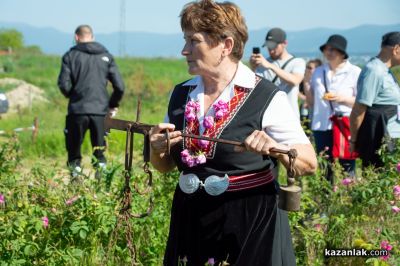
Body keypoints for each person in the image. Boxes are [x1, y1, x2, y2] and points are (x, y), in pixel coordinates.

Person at [149, 1, 317, 265]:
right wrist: (157, 148)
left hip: (250, 222)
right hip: (191, 217)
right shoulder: (181, 93)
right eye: (185, 41)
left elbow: (308, 163)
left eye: (194, 41)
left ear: (225, 46)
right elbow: (164, 166)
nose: (185, 50)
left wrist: (276, 147)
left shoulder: (266, 97)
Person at [57, 25, 124, 177]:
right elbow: (120, 87)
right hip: (100, 112)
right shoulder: (106, 56)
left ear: (76, 37)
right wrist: (112, 105)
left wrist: (73, 95)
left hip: (77, 111)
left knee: (74, 153)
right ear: (92, 37)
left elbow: (63, 84)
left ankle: (75, 186)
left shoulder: (70, 56)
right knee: (99, 152)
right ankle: (102, 187)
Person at [304, 34, 361, 181]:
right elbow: (311, 102)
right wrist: (305, 82)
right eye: (326, 49)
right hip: (321, 123)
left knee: (347, 165)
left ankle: (348, 198)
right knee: (325, 166)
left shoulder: (354, 72)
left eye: (332, 49)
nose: (328, 52)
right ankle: (326, 199)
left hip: (344, 123)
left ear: (342, 53)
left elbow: (361, 101)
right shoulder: (319, 71)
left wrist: (342, 98)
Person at [350, 32, 400, 168]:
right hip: (381, 141)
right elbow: (359, 109)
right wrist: (354, 141)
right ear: (396, 49)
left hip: (391, 138)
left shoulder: (385, 70)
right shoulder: (374, 70)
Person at [250, 27, 306, 118]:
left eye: (274, 46)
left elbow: (295, 80)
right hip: (266, 116)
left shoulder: (297, 62)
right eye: (268, 46)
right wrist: (253, 68)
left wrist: (270, 66)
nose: (271, 50)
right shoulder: (261, 63)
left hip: (289, 116)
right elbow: (252, 87)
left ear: (285, 44)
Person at [299, 59, 322, 134]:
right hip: (305, 108)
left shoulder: (320, 82)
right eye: (307, 67)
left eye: (310, 67)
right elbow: (296, 92)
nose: (307, 69)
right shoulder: (303, 80)